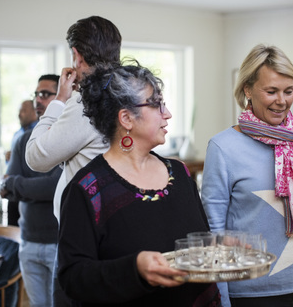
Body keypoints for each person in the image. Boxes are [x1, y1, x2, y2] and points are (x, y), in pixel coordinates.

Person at [57, 61, 221, 306]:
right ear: (126, 118)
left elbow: (197, 241)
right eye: (156, 104)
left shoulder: (179, 173)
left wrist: (218, 246)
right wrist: (135, 270)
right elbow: (74, 277)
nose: (167, 113)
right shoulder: (88, 190)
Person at [200, 44, 293, 307]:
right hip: (250, 290)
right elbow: (214, 231)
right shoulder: (223, 146)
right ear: (247, 89)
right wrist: (221, 299)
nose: (282, 101)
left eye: (288, 91)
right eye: (271, 91)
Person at [25, 15, 122, 306]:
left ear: (77, 56)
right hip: (119, 228)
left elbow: (36, 157)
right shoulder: (129, 94)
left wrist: (58, 102)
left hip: (83, 239)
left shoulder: (85, 104)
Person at [0, 74, 61, 307]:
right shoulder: (23, 140)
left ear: (61, 98)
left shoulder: (68, 139)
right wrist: (18, 187)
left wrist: (16, 185)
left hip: (59, 242)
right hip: (28, 241)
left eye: (45, 94)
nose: (38, 99)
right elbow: (7, 189)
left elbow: (55, 188)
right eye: (36, 94)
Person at [5, 100, 38, 164]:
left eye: (24, 111)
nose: (19, 114)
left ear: (34, 112)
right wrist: (9, 157)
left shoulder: (39, 132)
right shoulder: (17, 134)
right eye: (19, 111)